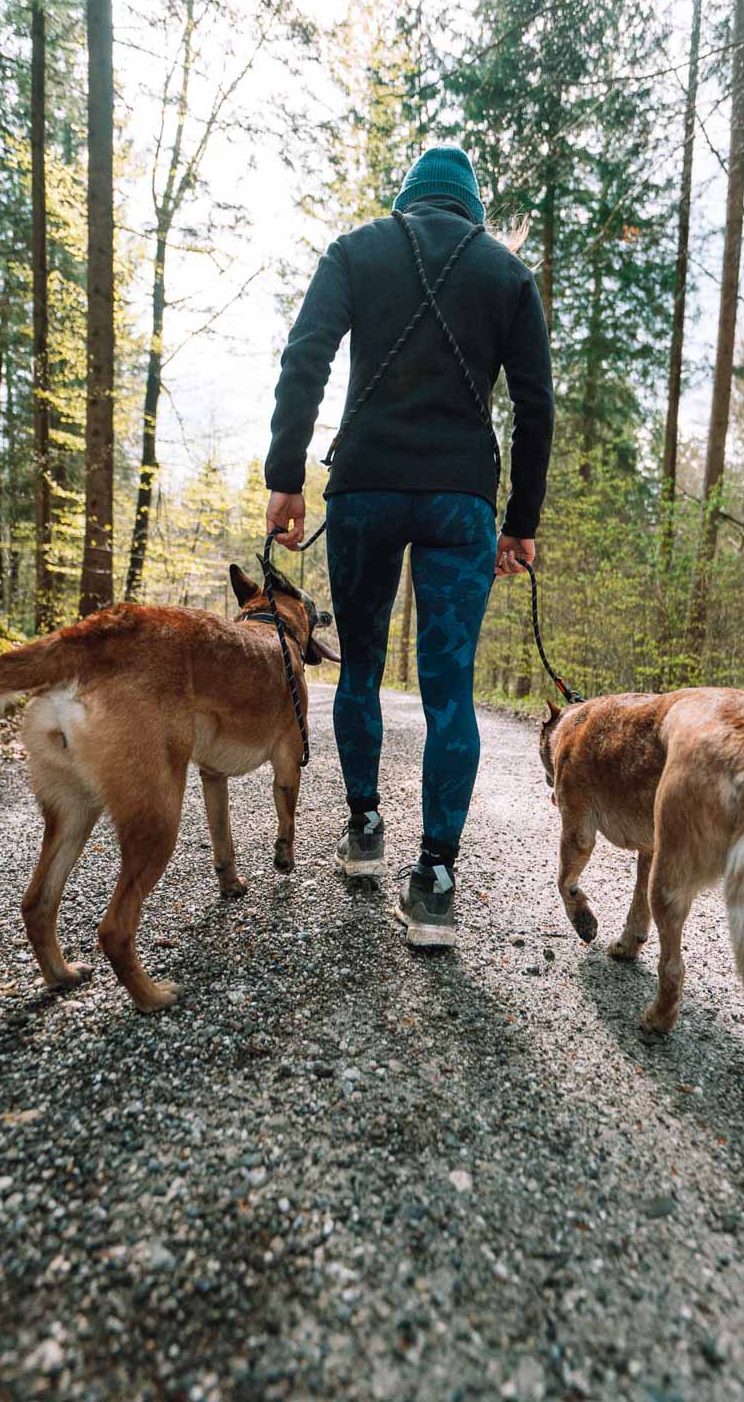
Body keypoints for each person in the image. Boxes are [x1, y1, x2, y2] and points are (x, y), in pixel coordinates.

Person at [263, 144, 554, 947]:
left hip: (365, 491)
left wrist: (285, 475)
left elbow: (306, 356)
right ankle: (435, 881)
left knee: (359, 667)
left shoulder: (358, 250)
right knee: (447, 687)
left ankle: (363, 831)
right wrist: (519, 521)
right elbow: (536, 405)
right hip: (461, 501)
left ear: (409, 198)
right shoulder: (507, 275)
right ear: (472, 210)